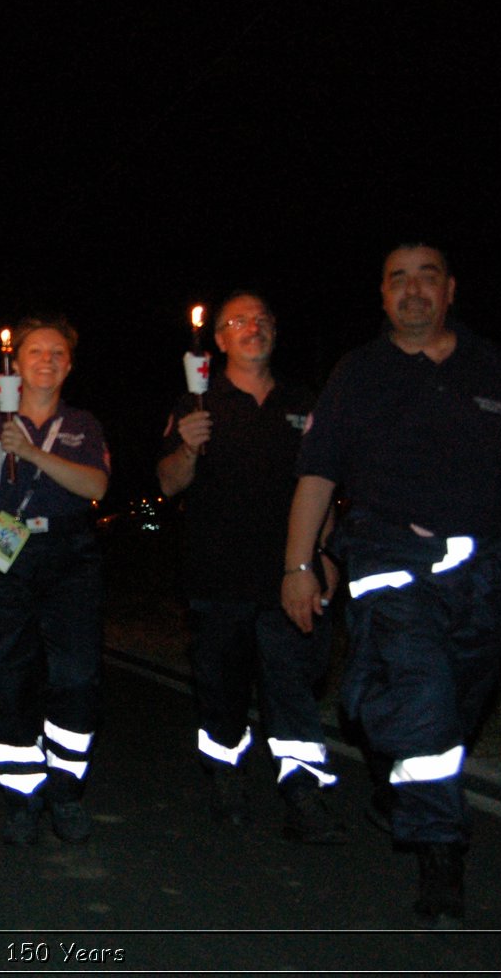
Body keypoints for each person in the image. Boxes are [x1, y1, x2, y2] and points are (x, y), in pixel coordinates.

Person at [280, 242, 501, 926]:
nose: (413, 291)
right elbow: (318, 475)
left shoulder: (487, 362)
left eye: (428, 278)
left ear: (449, 291)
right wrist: (298, 567)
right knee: (425, 696)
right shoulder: (358, 372)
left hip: (483, 567)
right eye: (398, 281)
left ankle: (399, 766)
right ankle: (441, 852)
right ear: (382, 297)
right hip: (389, 558)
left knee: (459, 704)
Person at [157, 291, 345, 842]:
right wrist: (189, 450)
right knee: (222, 690)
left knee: (292, 689)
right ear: (218, 340)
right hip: (217, 579)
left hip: (290, 577)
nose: (252, 327)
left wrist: (325, 556)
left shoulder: (304, 403)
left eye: (262, 319)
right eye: (238, 321)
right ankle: (225, 777)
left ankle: (304, 796)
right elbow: (168, 484)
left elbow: (325, 485)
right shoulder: (196, 404)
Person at [0, 316, 111, 845]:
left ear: (68, 365)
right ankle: (22, 799)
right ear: (16, 364)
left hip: (69, 555)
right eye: (34, 352)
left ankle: (66, 793)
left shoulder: (83, 424)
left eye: (56, 353)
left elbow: (93, 484)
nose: (46, 360)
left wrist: (28, 452)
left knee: (75, 679)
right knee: (6, 679)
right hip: (5, 555)